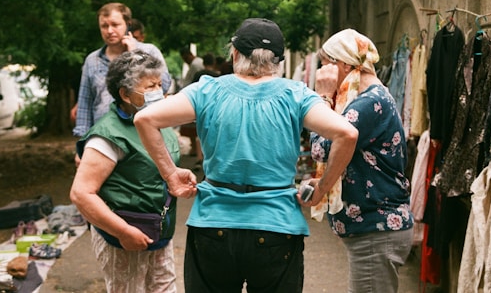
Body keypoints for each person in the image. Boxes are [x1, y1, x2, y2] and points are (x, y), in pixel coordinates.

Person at [134, 18, 358, 293]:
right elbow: (347, 134)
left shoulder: (207, 90)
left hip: (212, 226)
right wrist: (322, 188)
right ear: (278, 62)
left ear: (235, 54)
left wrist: (171, 175)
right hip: (277, 228)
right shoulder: (295, 94)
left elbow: (145, 119)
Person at [70, 49, 197, 293]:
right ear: (125, 94)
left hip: (159, 231)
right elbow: (81, 194)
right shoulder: (109, 135)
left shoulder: (157, 121)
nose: (158, 91)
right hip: (123, 237)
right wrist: (123, 232)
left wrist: (174, 173)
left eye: (160, 84)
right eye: (150, 86)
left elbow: (148, 163)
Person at [310, 28, 414, 293]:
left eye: (326, 64)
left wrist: (322, 96)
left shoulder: (367, 104)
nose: (322, 72)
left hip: (375, 232)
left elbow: (321, 147)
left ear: (344, 64)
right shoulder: (369, 99)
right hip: (374, 231)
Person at [73, 3, 171, 165]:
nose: (109, 30)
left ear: (128, 25)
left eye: (115, 25)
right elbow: (85, 103)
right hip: (103, 140)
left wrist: (134, 55)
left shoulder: (149, 51)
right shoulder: (92, 60)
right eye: (104, 26)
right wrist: (80, 148)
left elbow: (164, 86)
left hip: (142, 137)